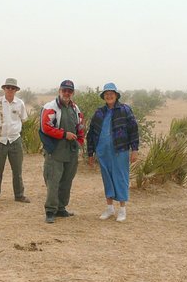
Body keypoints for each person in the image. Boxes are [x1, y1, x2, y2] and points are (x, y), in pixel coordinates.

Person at [87, 82, 139, 222]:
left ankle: (122, 209)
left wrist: (134, 150)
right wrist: (90, 153)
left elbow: (133, 130)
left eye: (111, 94)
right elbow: (91, 133)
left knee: (121, 178)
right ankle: (109, 208)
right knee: (107, 178)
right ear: (104, 96)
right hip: (102, 151)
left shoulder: (125, 110)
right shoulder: (99, 112)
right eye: (106, 94)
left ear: (116, 95)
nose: (109, 96)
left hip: (120, 150)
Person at [39, 79, 85, 223]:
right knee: (53, 181)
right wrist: (64, 134)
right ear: (59, 91)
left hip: (71, 151)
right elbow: (45, 127)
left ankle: (61, 208)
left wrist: (79, 142)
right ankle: (50, 211)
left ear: (73, 93)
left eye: (69, 91)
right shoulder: (50, 107)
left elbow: (81, 127)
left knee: (66, 181)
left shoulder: (75, 109)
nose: (66, 93)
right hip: (55, 150)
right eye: (64, 90)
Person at [0, 78, 30, 204]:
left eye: (13, 88)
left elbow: (23, 119)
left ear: (16, 90)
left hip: (15, 140)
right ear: (4, 89)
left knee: (17, 170)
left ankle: (19, 195)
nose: (10, 90)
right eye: (8, 87)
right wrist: (0, 133)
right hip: (0, 141)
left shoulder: (20, 104)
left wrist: (13, 131)